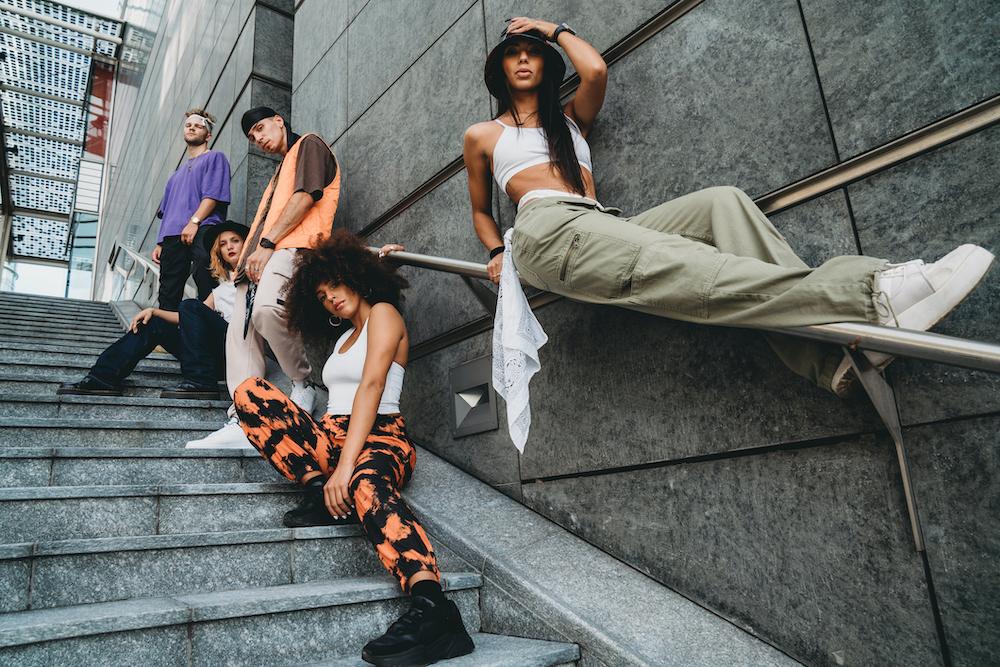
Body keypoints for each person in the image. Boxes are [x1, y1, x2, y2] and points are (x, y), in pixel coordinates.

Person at [463, 18, 994, 397]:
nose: (525, 59)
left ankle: (826, 358)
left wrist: (549, 28)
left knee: (723, 204)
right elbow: (483, 211)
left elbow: (595, 69)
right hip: (546, 229)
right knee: (680, 264)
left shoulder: (569, 120)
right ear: (500, 70)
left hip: (598, 221)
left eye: (532, 52)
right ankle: (868, 295)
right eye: (514, 53)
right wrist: (492, 250)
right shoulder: (484, 134)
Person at [232, 231, 474, 666]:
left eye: (335, 286)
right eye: (321, 296)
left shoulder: (384, 313)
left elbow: (373, 385)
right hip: (333, 432)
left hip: (381, 433)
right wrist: (330, 467)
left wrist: (345, 468)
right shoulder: (343, 336)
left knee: (366, 484)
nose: (330, 299)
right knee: (251, 392)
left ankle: (433, 607)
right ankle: (317, 489)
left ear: (354, 277)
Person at [190, 107, 341, 448]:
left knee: (267, 311)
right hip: (252, 265)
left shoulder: (310, 145)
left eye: (260, 128)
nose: (258, 139)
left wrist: (268, 244)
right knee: (240, 341)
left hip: (291, 250)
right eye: (251, 137)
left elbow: (306, 197)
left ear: (278, 119)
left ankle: (303, 385)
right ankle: (245, 418)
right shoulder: (278, 174)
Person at [58, 222, 247, 399]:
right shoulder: (220, 290)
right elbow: (189, 317)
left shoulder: (258, 276)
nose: (229, 246)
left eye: (235, 241)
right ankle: (103, 377)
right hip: (215, 355)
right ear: (219, 252)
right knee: (154, 322)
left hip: (238, 353)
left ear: (245, 244)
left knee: (190, 305)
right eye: (223, 244)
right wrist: (154, 311)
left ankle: (202, 382)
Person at [154, 108, 232, 311]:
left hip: (204, 226)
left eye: (198, 125)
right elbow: (167, 211)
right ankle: (165, 338)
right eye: (188, 125)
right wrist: (160, 242)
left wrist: (194, 222)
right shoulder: (175, 175)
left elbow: (213, 195)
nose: (192, 128)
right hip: (172, 236)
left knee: (205, 275)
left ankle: (209, 328)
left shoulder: (215, 158)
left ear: (208, 134)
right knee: (168, 291)